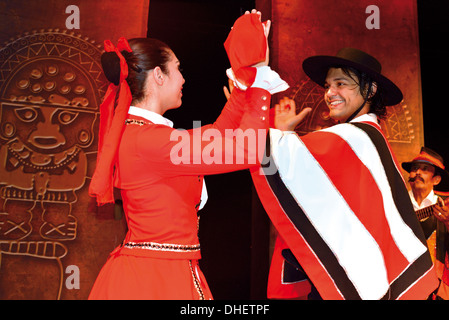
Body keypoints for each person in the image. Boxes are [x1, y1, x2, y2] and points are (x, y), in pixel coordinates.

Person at [87, 10, 295, 299]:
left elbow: (216, 134)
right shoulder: (151, 142)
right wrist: (259, 80)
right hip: (156, 281)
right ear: (159, 75)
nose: (183, 78)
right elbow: (247, 149)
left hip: (156, 271)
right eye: (178, 68)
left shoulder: (142, 135)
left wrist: (243, 86)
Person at [250, 47, 439, 299]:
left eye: (341, 83)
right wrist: (285, 135)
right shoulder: (365, 137)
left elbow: (260, 151)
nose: (330, 93)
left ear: (369, 90)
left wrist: (254, 94)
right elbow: (294, 176)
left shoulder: (356, 137)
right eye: (328, 86)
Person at [402, 147, 449, 299]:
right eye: (414, 169)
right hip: (403, 282)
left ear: (436, 179)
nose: (418, 173)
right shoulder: (396, 204)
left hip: (436, 285)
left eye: (425, 169)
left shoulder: (445, 206)